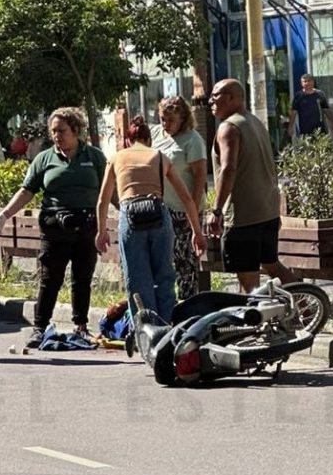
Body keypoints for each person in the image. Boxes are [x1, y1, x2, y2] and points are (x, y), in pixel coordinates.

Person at [0, 107, 105, 348]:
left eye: (61, 131)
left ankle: (81, 326)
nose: (56, 136)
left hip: (86, 227)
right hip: (55, 228)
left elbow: (108, 191)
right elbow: (27, 190)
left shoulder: (94, 157)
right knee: (49, 279)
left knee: (82, 279)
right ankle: (40, 327)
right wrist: (5, 214)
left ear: (76, 130)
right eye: (53, 131)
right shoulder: (45, 158)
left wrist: (124, 209)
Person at [97, 116, 206, 321]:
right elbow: (187, 199)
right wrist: (197, 233)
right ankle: (165, 327)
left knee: (137, 279)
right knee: (164, 275)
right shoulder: (160, 156)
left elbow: (103, 200)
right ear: (149, 139)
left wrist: (101, 231)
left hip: (130, 215)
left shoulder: (117, 157)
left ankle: (146, 328)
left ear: (128, 140)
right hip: (158, 214)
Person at [209, 79, 298, 293]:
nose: (211, 101)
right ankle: (307, 305)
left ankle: (257, 321)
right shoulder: (255, 122)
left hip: (243, 216)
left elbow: (228, 169)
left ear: (232, 98)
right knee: (271, 265)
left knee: (248, 279)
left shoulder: (229, 128)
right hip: (266, 211)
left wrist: (217, 210)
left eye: (216, 95)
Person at [150, 95, 208, 300]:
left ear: (183, 118)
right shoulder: (157, 134)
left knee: (185, 262)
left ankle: (188, 304)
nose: (165, 124)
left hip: (184, 210)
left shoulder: (192, 140)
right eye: (162, 119)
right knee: (163, 260)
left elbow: (201, 177)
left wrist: (192, 212)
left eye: (170, 120)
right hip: (161, 208)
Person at [288, 74, 333, 139]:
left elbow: (326, 110)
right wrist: (290, 126)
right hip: (305, 130)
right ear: (301, 83)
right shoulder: (298, 96)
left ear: (313, 82)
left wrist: (332, 122)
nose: (307, 83)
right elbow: (293, 112)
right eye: (304, 81)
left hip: (320, 129)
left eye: (309, 81)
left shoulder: (320, 94)